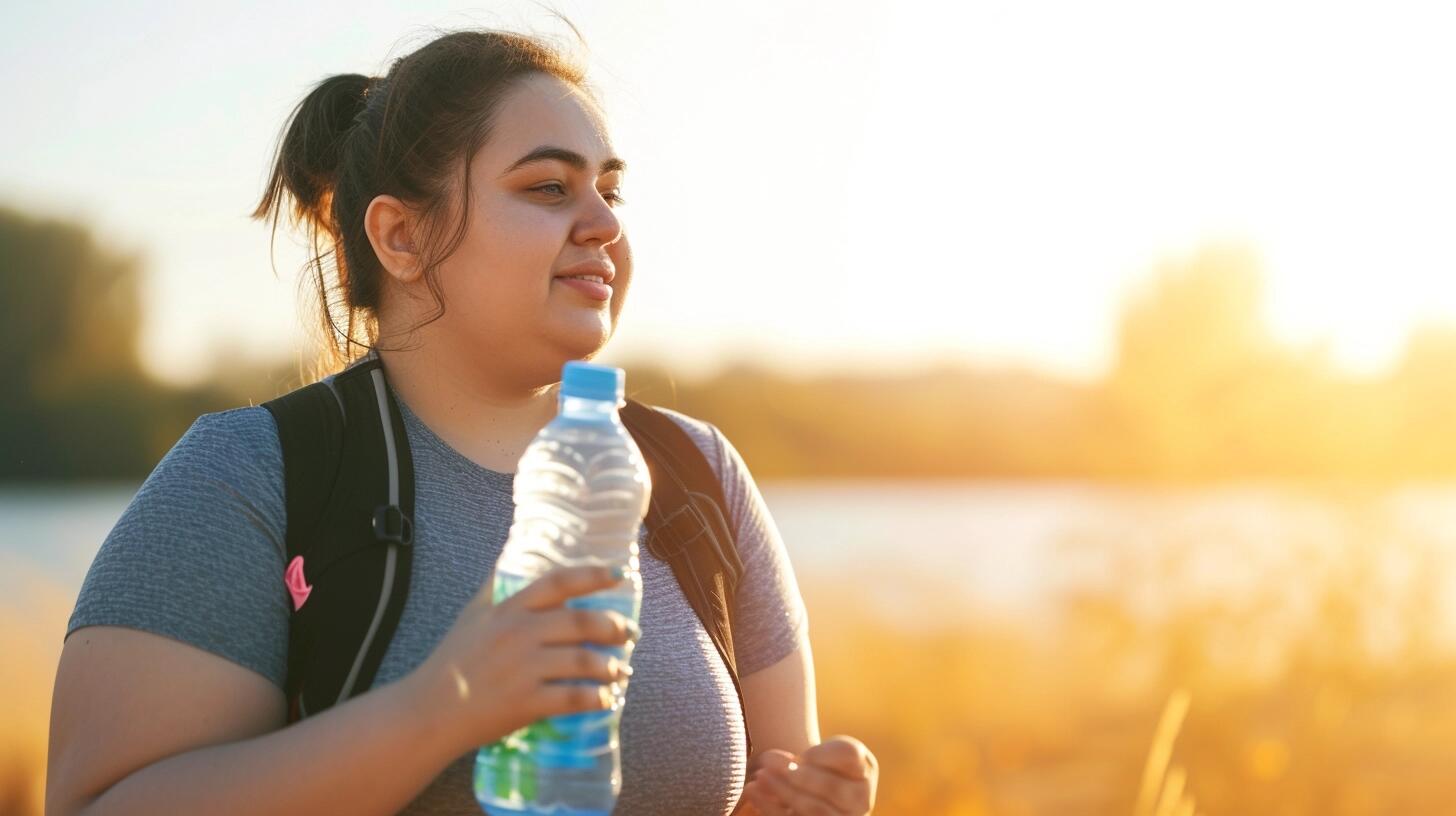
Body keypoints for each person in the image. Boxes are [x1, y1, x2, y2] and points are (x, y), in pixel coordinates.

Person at [45, 25, 878, 816]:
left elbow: (778, 769)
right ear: (401, 237)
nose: (606, 225)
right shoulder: (253, 475)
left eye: (611, 190)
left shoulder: (696, 474)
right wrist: (445, 704)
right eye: (549, 187)